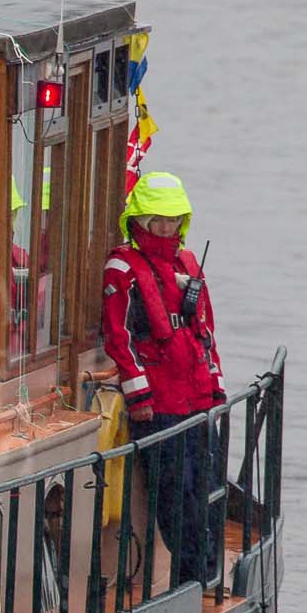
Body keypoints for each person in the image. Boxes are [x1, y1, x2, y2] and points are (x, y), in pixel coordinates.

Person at [102, 171, 224, 586]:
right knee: (176, 494)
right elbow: (119, 338)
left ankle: (205, 571)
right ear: (139, 220)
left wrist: (215, 385)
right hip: (159, 405)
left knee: (204, 485)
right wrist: (140, 397)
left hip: (196, 399)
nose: (166, 227)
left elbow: (206, 330)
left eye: (173, 219)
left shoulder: (189, 264)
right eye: (157, 219)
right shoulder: (122, 267)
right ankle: (192, 575)